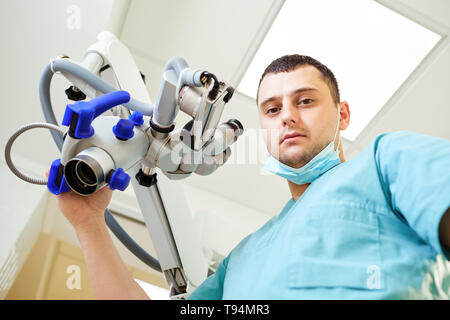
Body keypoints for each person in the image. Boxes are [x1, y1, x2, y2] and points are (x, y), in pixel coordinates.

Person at [49, 54, 450, 300]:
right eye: (272, 110)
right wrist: (87, 224)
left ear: (342, 114)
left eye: (306, 100)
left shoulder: (385, 161)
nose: (288, 115)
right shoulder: (239, 262)